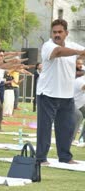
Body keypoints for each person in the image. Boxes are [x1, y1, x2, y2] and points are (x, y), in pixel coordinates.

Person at [36, 19, 85, 165]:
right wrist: (78, 52)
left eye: (60, 32)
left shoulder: (72, 45)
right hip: (47, 94)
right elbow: (58, 52)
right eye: (54, 32)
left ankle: (65, 157)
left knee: (67, 127)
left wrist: (80, 53)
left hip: (66, 95)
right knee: (44, 128)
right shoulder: (48, 46)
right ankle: (41, 158)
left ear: (66, 33)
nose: (57, 35)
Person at [72, 71, 85, 144]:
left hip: (80, 105)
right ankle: (71, 139)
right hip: (72, 104)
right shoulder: (79, 81)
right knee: (79, 116)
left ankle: (83, 139)